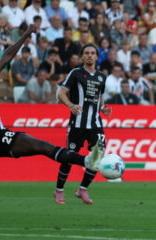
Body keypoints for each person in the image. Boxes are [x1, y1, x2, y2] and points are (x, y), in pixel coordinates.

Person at [0, 24, 104, 222]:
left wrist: (25, 35)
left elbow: (6, 55)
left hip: (0, 135)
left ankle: (85, 161)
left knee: (41, 145)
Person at [55, 43, 112, 205]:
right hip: (78, 123)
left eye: (92, 53)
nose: (89, 55)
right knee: (68, 157)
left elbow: (98, 96)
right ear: (82, 56)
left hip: (95, 123)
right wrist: (71, 106)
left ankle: (83, 189)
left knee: (98, 155)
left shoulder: (101, 76)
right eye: (86, 53)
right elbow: (61, 93)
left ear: (96, 56)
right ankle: (59, 190)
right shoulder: (76, 73)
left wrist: (102, 108)